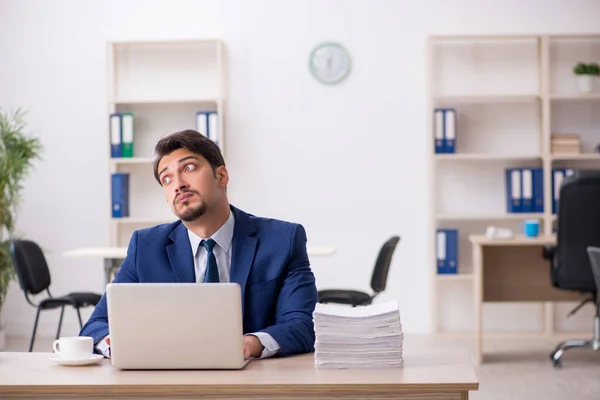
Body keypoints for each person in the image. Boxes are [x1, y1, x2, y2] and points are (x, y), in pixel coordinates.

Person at [79, 129, 318, 359]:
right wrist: (115, 345)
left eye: (189, 168)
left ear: (221, 176)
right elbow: (96, 325)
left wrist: (248, 345)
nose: (178, 184)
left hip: (254, 381)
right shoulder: (146, 246)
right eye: (166, 178)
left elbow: (302, 325)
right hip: (171, 382)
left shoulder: (283, 239)